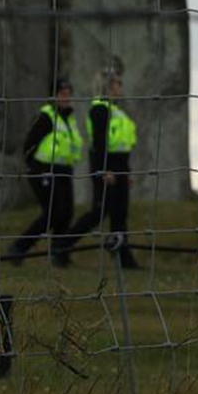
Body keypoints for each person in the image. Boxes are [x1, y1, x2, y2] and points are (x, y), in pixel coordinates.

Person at [61, 69, 140, 269]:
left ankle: (123, 256)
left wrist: (126, 172)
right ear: (107, 85)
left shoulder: (117, 110)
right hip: (107, 167)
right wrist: (103, 170)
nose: (119, 86)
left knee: (120, 214)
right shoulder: (100, 109)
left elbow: (122, 145)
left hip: (120, 167)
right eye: (116, 83)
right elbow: (99, 143)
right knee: (99, 212)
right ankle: (62, 245)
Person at [7, 77, 83, 268]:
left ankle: (59, 253)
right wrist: (36, 169)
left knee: (66, 213)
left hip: (64, 170)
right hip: (44, 170)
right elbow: (29, 145)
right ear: (54, 95)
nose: (66, 97)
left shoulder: (69, 118)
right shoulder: (46, 116)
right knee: (53, 213)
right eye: (62, 94)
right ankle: (19, 247)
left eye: (68, 94)